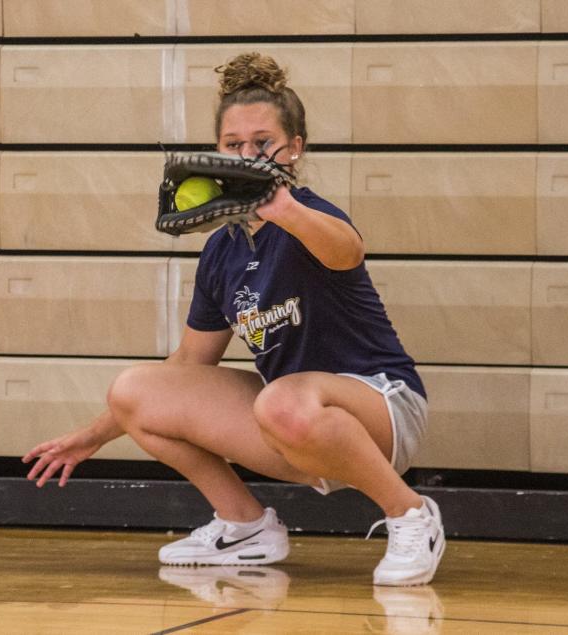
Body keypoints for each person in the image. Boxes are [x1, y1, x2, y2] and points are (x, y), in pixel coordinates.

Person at [23, 52, 445, 587]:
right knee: (136, 391)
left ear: (295, 148)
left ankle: (410, 514)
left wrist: (285, 210)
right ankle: (245, 527)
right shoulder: (221, 254)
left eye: (263, 142)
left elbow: (347, 253)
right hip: (293, 424)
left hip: (381, 408)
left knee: (282, 398)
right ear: (216, 153)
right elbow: (188, 365)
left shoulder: (313, 216)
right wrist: (94, 436)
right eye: (233, 145)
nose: (248, 155)